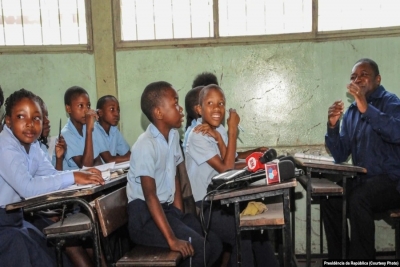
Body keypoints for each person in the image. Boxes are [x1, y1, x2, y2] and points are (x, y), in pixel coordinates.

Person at [0, 88, 104, 266]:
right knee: (24, 250)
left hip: (16, 219)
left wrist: (81, 174)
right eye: (21, 117)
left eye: (36, 118)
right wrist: (74, 175)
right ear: (8, 121)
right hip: (3, 225)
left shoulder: (31, 145)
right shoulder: (4, 146)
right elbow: (27, 188)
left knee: (52, 254)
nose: (30, 124)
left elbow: (51, 174)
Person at [127, 81, 222, 267]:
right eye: (175, 104)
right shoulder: (146, 144)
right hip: (144, 217)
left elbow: (176, 176)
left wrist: (178, 212)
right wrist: (172, 239)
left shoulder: (172, 136)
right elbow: (150, 195)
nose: (180, 109)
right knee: (199, 249)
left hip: (167, 211)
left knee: (215, 244)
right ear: (159, 113)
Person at [185, 84, 278, 267]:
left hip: (223, 199)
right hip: (205, 207)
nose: (217, 108)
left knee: (258, 228)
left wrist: (262, 165)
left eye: (221, 103)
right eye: (210, 103)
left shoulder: (216, 129)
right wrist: (232, 130)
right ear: (199, 109)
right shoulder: (197, 135)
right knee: (242, 232)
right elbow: (227, 170)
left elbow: (232, 161)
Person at [323, 58, 400, 259]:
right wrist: (332, 127)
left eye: (364, 75)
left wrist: (366, 108)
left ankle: (362, 260)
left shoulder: (391, 102)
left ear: (378, 79)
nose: (358, 79)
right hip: (363, 180)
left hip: (393, 181)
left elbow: (397, 132)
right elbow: (340, 154)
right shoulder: (351, 113)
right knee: (329, 199)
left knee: (359, 199)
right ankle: (340, 258)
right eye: (353, 77)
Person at [58, 86, 105, 170]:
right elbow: (85, 167)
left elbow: (97, 160)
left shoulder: (86, 128)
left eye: (88, 105)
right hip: (71, 182)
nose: (86, 110)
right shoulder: (66, 134)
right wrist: (89, 131)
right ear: (68, 108)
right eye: (80, 106)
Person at [95, 95, 131, 163]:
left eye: (118, 110)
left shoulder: (114, 129)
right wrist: (134, 157)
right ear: (100, 113)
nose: (117, 114)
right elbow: (109, 160)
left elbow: (127, 154)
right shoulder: (94, 130)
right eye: (112, 109)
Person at [36, 96, 66, 170]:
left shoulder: (41, 147)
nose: (47, 121)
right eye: (41, 117)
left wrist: (59, 159)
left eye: (47, 116)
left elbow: (54, 177)